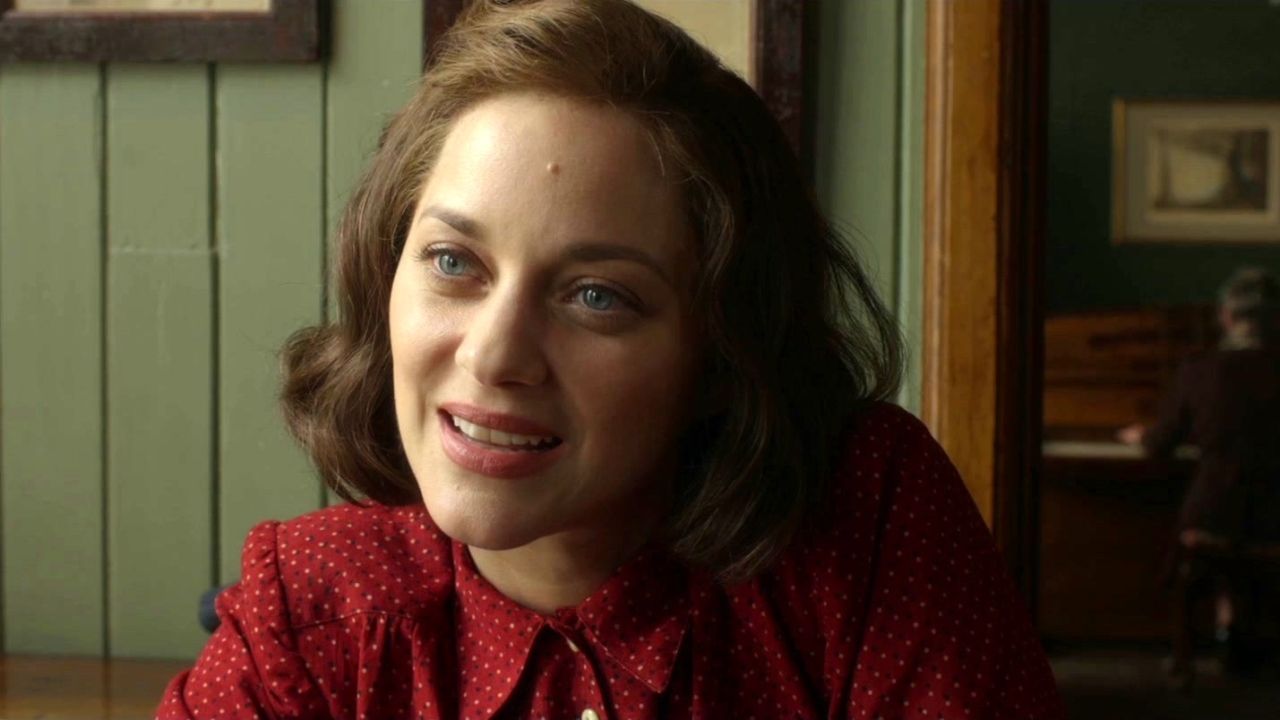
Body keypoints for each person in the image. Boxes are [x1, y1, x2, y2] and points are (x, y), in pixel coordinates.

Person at [158, 1, 1062, 717]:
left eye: (596, 296)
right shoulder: (310, 612)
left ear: (721, 356)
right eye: (453, 262)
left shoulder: (863, 517)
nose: (495, 354)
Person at [1118, 267, 1280, 677]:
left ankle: (1220, 637)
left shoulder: (1201, 368)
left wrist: (1141, 435)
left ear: (1226, 316)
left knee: (1217, 532)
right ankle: (1238, 634)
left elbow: (1160, 443)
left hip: (1214, 512)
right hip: (1274, 514)